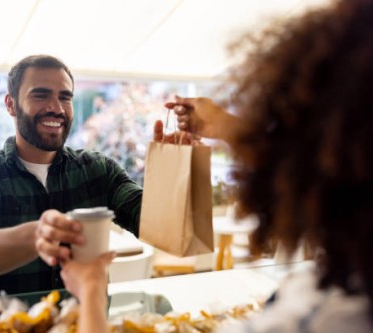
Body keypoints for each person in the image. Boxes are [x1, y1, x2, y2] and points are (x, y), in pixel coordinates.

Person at [59, 0, 373, 332]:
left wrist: (91, 289)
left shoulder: (322, 315)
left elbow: (159, 225)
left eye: (278, 127)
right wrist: (225, 128)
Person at [0, 55, 147, 295]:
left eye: (65, 97)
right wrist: (37, 235)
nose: (57, 108)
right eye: (40, 95)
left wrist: (183, 159)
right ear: (10, 104)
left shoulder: (98, 170)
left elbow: (157, 224)